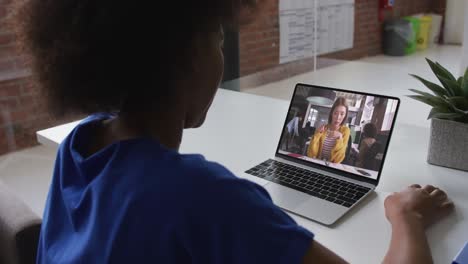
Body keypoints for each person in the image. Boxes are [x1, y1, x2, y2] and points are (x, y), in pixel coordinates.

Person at [14, 0, 454, 263]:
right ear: (185, 56)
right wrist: (406, 216)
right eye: (218, 41)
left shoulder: (80, 145)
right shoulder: (202, 195)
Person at [307, 97, 350, 163]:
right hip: (317, 163)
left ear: (345, 115)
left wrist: (340, 138)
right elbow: (311, 154)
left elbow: (338, 160)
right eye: (336, 113)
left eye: (342, 114)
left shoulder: (345, 131)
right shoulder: (323, 128)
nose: (338, 117)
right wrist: (318, 134)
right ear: (331, 113)